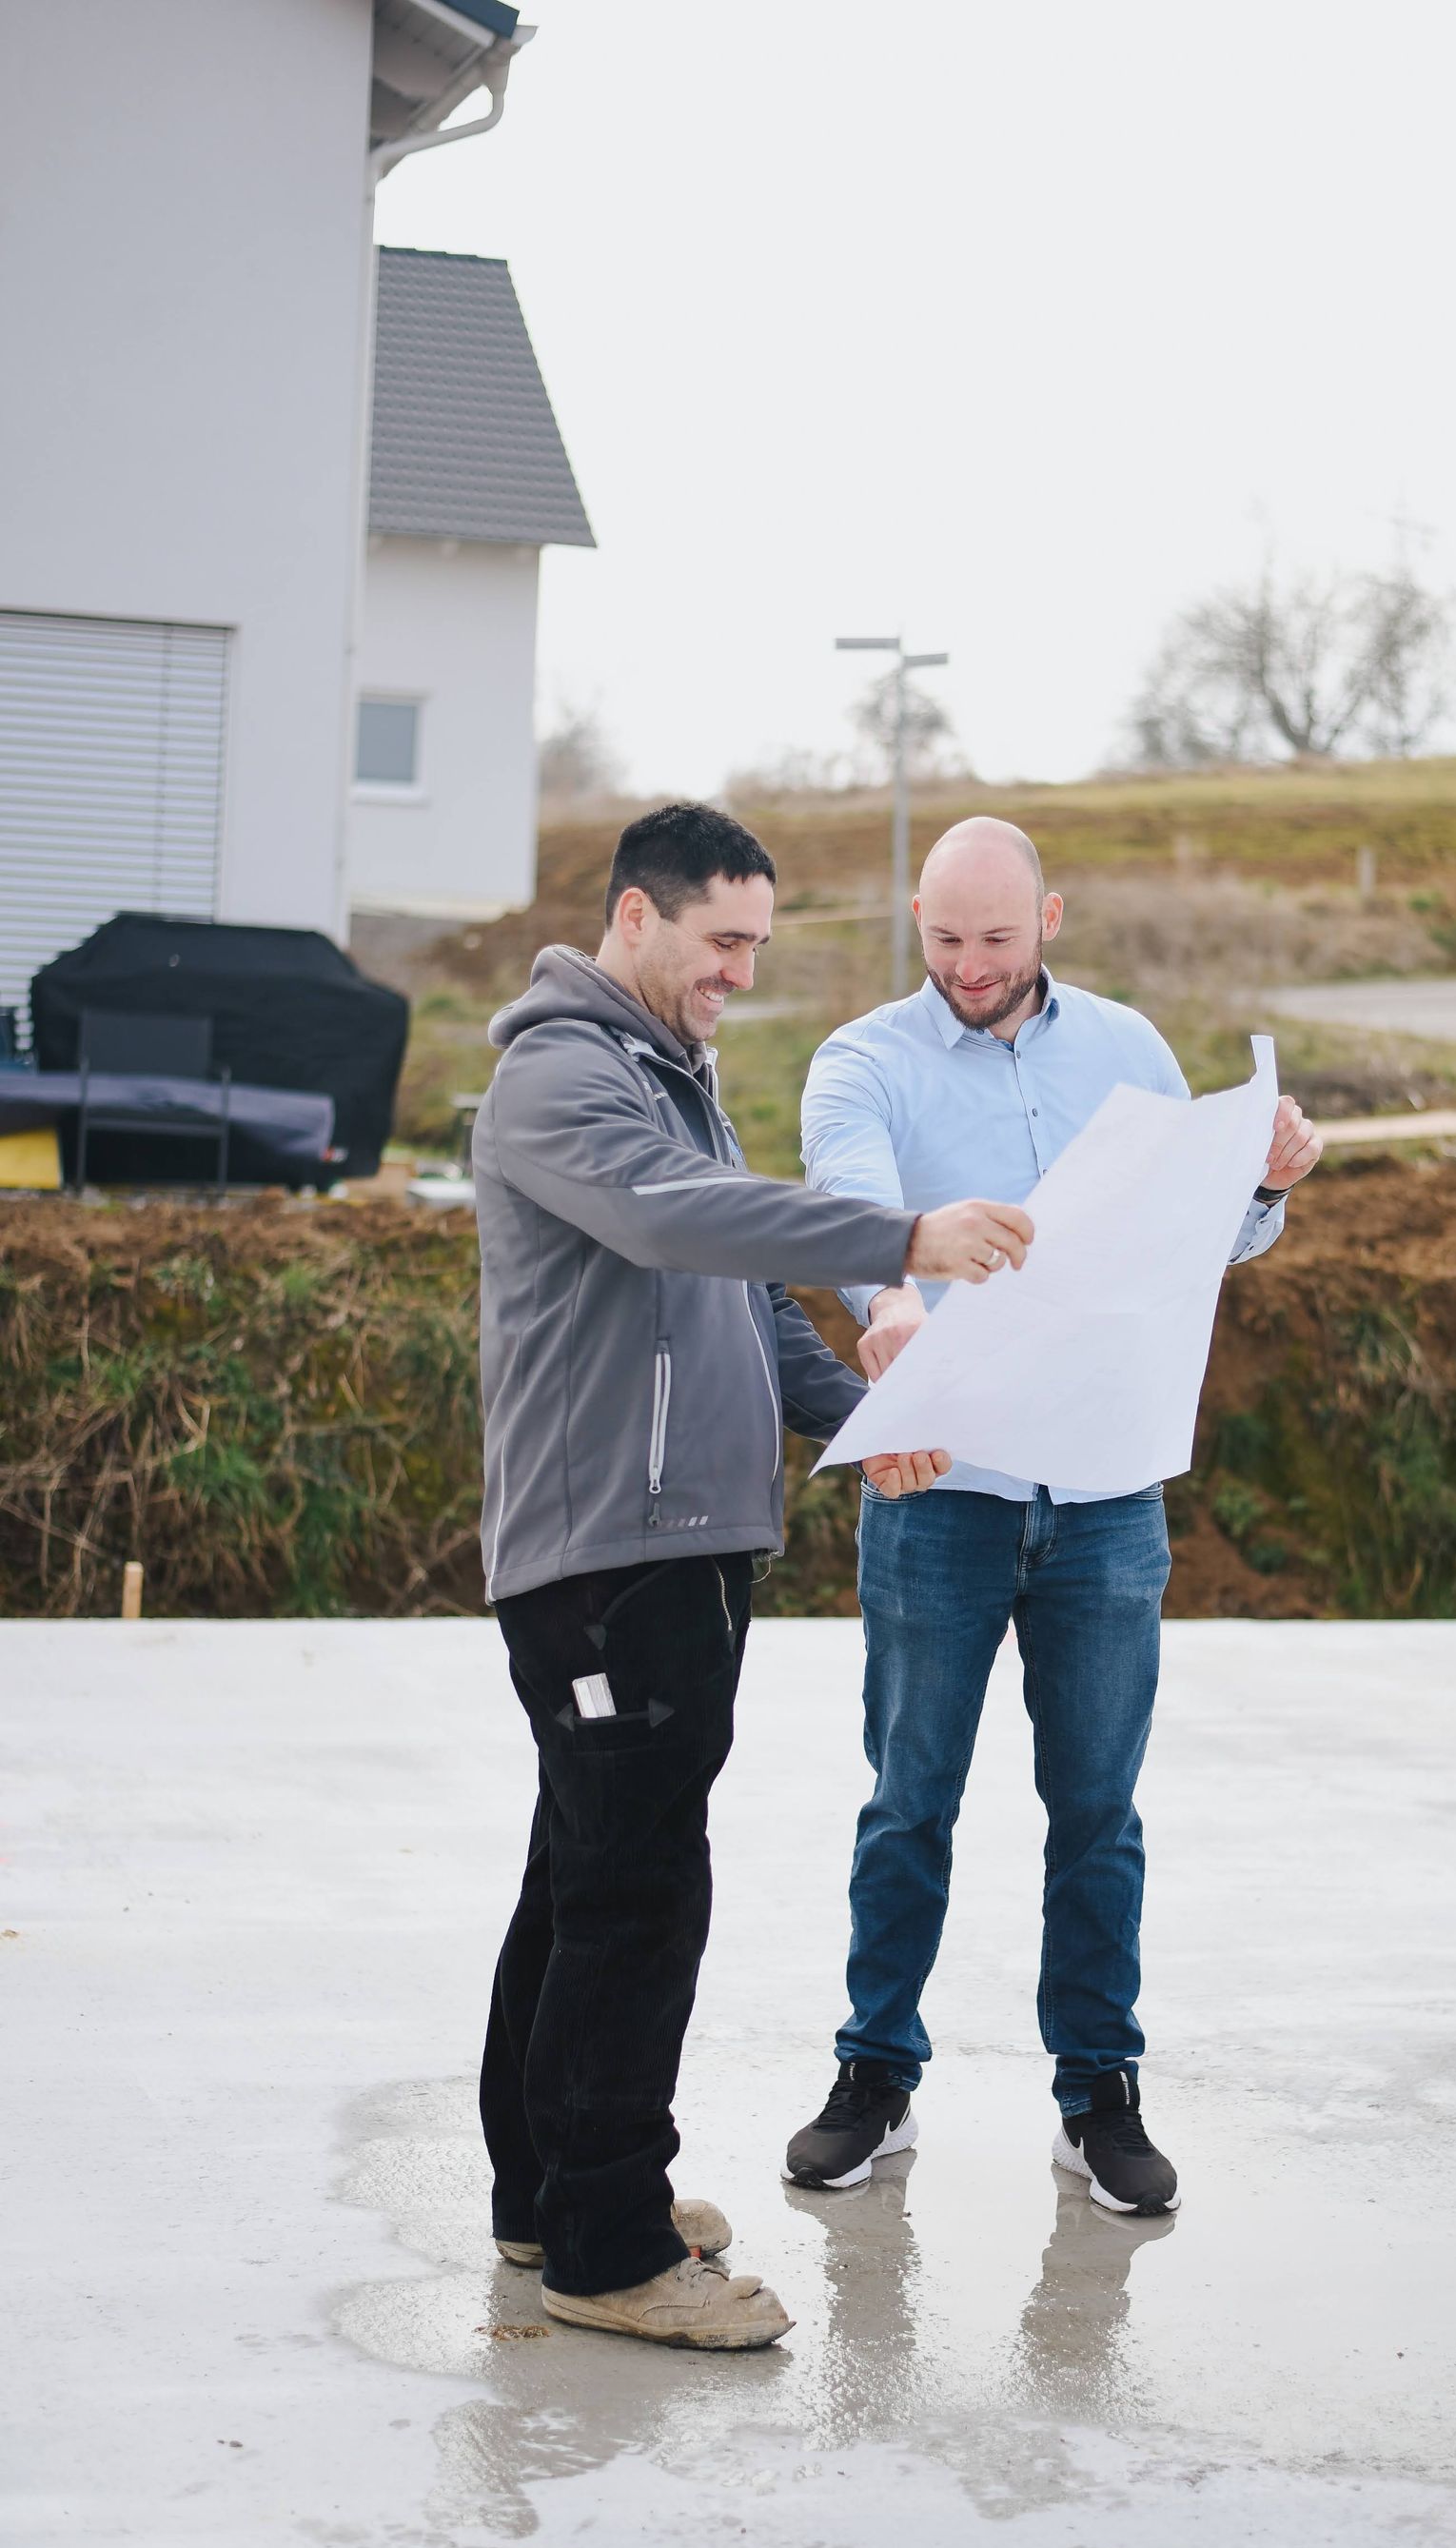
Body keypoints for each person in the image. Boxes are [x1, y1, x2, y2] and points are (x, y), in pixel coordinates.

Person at [472, 801, 1033, 2349]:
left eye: (758, 950)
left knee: (584, 1874)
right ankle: (607, 2248)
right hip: (607, 1551)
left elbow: (745, 1305)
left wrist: (872, 1419)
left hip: (679, 1548)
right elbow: (678, 1222)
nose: (739, 975)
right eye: (722, 944)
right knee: (639, 1895)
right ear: (636, 920)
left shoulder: (670, 1074)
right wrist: (908, 1230)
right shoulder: (562, 1075)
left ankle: (550, 2195)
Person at [784, 816, 1322, 2214]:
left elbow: (1198, 1236)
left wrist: (1260, 1181)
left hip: (1101, 1502)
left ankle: (1098, 2096)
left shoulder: (1131, 1053)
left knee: (1098, 1813)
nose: (970, 965)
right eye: (946, 938)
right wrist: (889, 1296)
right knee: (909, 1804)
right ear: (916, 918)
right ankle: (875, 2081)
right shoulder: (865, 1062)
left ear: (1052, 921)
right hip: (941, 1496)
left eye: (998, 939)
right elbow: (846, 1195)